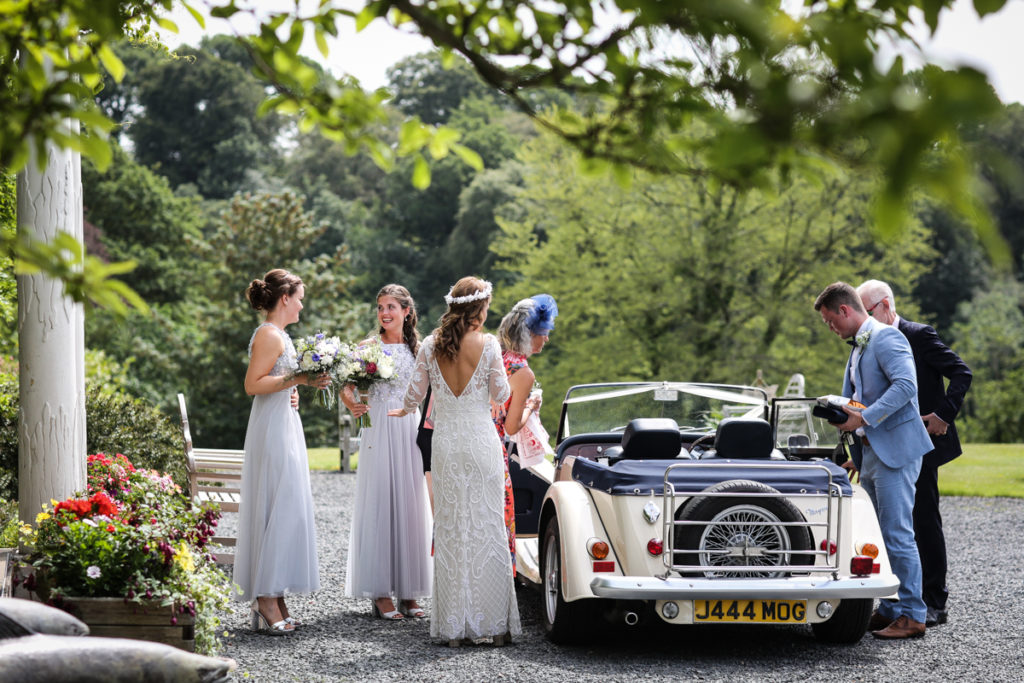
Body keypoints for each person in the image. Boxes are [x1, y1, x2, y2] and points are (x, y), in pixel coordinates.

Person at [388, 276, 521, 647]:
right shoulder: (490, 344)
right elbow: (501, 393)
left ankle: (453, 627)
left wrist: (402, 411)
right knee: (487, 527)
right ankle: (491, 624)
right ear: (480, 307)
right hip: (480, 443)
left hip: (446, 444)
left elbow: (413, 396)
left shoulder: (431, 345)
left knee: (450, 529)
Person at [814, 281, 932, 640]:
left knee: (898, 534)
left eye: (830, 321)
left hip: (895, 450)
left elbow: (906, 387)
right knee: (878, 536)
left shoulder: (886, 338)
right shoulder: (859, 347)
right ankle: (892, 608)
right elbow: (862, 397)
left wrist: (863, 418)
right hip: (870, 453)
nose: (830, 329)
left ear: (845, 311)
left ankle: (913, 614)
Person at [857, 279, 972, 627]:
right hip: (886, 444)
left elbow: (961, 373)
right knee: (893, 524)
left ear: (886, 305)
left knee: (923, 518)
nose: (865, 319)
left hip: (923, 441)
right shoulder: (868, 341)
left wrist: (943, 415)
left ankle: (934, 601)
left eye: (868, 311)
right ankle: (896, 602)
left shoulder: (918, 334)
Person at [235, 269, 327, 635]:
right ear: (285, 298)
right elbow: (252, 384)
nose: (303, 304)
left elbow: (276, 381)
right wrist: (299, 378)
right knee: (276, 504)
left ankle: (275, 593)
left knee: (286, 506)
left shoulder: (281, 336)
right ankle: (265, 599)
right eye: (300, 297)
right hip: (271, 431)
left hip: (283, 424)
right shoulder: (269, 335)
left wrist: (294, 389)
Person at [342, 284, 432, 621]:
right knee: (381, 501)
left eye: (391, 306)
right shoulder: (368, 347)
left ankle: (409, 591)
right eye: (380, 307)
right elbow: (346, 386)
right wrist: (353, 404)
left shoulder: (418, 349)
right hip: (379, 428)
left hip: (409, 429)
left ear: (406, 311)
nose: (385, 313)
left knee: (410, 504)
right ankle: (380, 593)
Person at [493, 294, 559, 564]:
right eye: (544, 333)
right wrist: (532, 405)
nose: (546, 339)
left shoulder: (495, 357)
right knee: (499, 516)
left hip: (470, 439)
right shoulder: (522, 371)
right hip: (494, 449)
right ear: (529, 335)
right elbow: (510, 425)